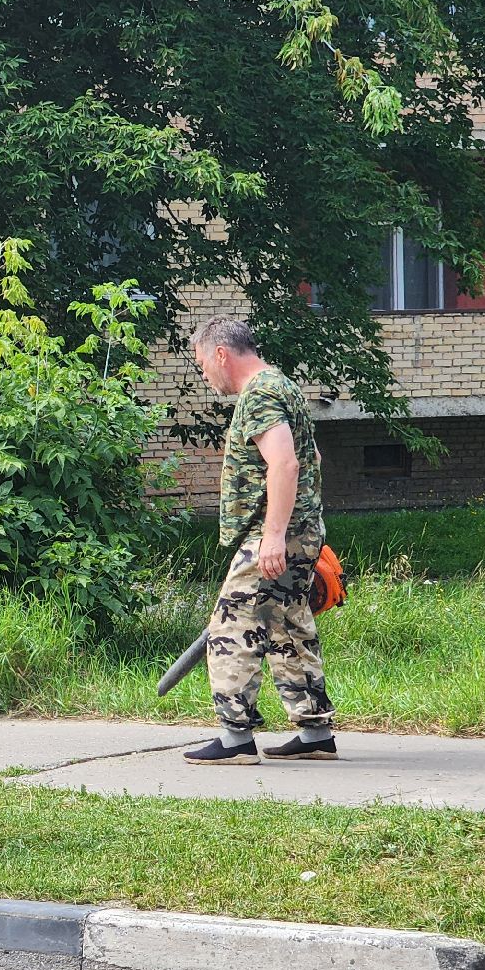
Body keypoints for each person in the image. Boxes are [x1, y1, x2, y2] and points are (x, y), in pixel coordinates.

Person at [182, 315, 338, 765]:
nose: (205, 375)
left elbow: (285, 465)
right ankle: (315, 734)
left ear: (221, 354)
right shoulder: (283, 385)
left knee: (231, 627)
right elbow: (314, 457)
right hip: (301, 531)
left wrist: (273, 536)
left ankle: (234, 740)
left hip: (274, 536)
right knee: (288, 627)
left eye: (202, 364)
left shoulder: (258, 394)